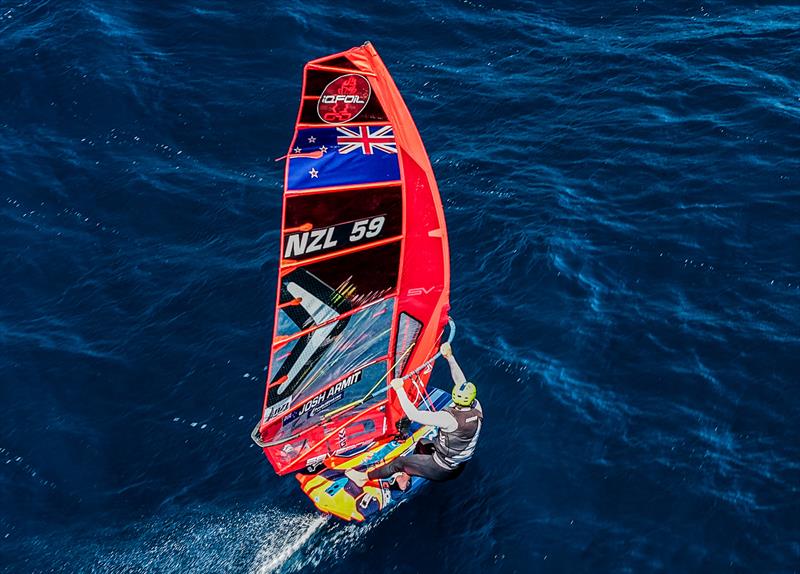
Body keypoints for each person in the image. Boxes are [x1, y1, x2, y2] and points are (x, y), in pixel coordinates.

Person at [345, 342, 483, 489]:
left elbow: (413, 414)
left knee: (399, 463)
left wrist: (399, 389)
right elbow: (461, 381)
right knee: (422, 444)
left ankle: (363, 478)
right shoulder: (477, 406)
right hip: (458, 464)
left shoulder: (449, 419)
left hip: (442, 469)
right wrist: (449, 357)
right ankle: (404, 479)